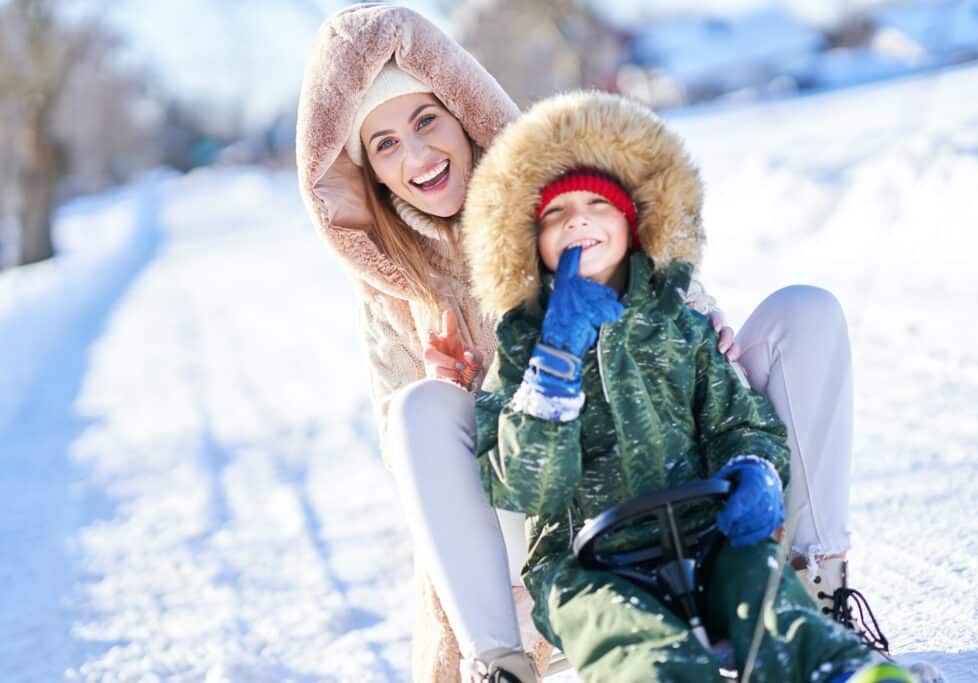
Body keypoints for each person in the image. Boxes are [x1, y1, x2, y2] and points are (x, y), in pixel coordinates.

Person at [296, 5, 873, 681]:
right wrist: (471, 393)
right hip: (552, 521)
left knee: (805, 313)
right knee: (419, 409)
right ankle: (501, 665)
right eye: (386, 144)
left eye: (425, 121)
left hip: (675, 481)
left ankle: (816, 589)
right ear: (369, 172)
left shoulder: (560, 196)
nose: (418, 155)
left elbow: (666, 291)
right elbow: (421, 478)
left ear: (461, 110)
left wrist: (702, 327)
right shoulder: (392, 292)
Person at [463, 90, 918, 683]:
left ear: (632, 220)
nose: (576, 219)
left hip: (707, 538)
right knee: (636, 644)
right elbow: (524, 483)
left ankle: (841, 670)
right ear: (531, 242)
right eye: (555, 213)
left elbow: (739, 419)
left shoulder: (680, 323)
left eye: (596, 204)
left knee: (768, 597)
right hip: (587, 563)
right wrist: (555, 360)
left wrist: (753, 466)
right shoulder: (524, 350)